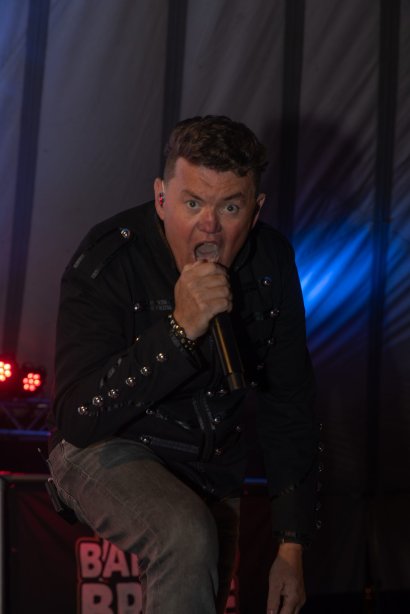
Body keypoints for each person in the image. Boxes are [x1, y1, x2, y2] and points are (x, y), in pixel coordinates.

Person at [48, 115, 318, 614]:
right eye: (192, 203)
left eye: (230, 207)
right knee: (185, 534)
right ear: (161, 198)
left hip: (211, 465)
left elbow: (289, 403)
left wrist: (291, 546)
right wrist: (178, 331)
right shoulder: (110, 258)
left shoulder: (271, 263)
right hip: (105, 443)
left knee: (201, 583)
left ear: (255, 211)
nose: (209, 225)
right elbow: (77, 417)